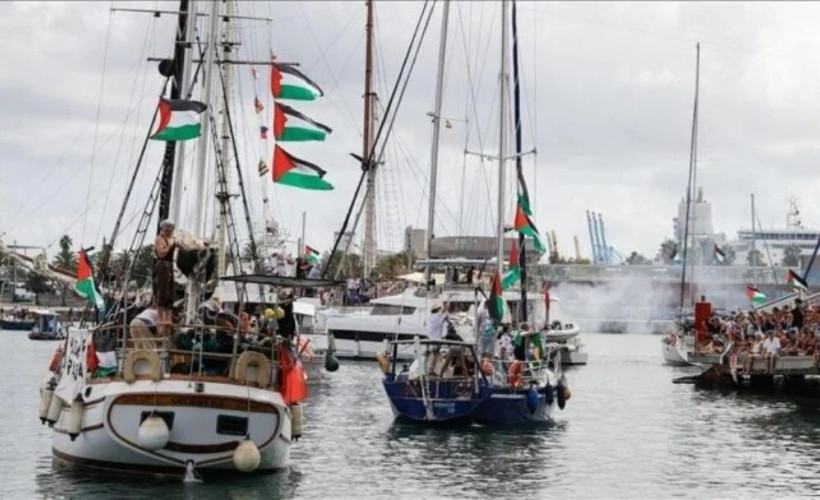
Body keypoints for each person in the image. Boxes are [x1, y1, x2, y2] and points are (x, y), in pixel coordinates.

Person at [154, 219, 179, 337]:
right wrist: (169, 244)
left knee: (170, 292)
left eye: (171, 228)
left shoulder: (172, 239)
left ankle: (168, 318)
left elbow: (182, 246)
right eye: (167, 228)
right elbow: (161, 253)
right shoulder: (160, 239)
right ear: (162, 228)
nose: (169, 230)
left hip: (170, 265)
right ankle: (160, 318)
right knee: (162, 290)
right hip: (162, 265)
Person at [426, 302, 447, 374]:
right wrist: (448, 301)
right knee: (435, 353)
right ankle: (431, 369)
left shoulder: (430, 316)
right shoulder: (438, 316)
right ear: (437, 309)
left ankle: (429, 368)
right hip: (437, 338)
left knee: (432, 353)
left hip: (430, 337)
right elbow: (445, 310)